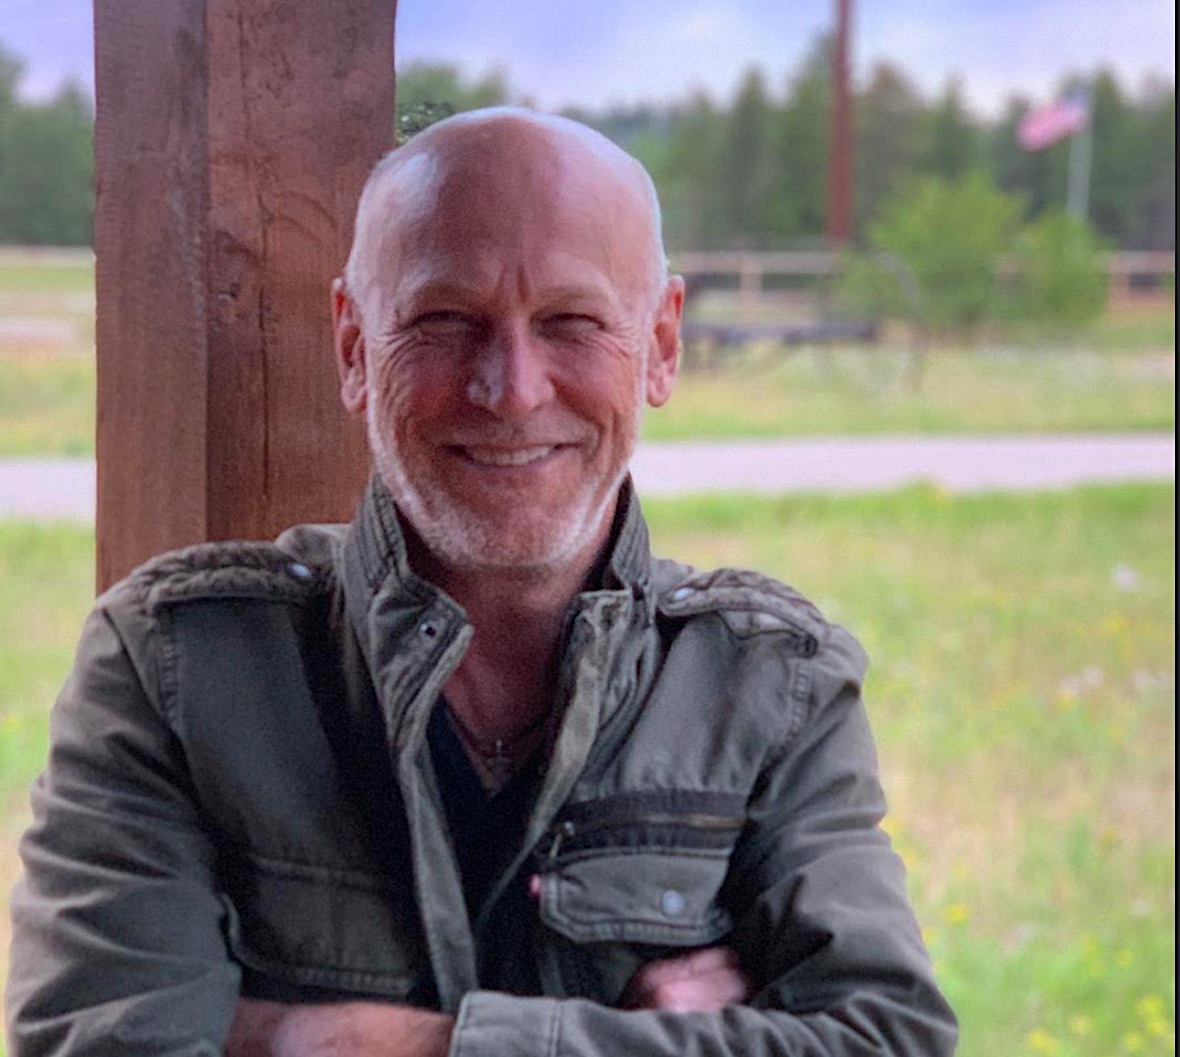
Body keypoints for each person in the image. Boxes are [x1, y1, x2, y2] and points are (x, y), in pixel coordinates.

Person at [6, 108, 957, 1056]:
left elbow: (891, 1040)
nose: (511, 387)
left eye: (572, 323)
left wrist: (334, 1040)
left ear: (661, 344)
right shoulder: (176, 668)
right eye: (445, 320)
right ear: (353, 345)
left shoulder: (771, 687)